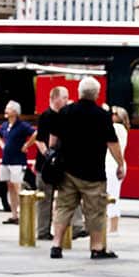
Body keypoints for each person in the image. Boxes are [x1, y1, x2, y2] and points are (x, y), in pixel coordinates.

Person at [46, 77, 124, 259]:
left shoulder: (65, 112)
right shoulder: (102, 116)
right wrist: (120, 164)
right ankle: (97, 248)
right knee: (95, 212)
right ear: (96, 94)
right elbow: (112, 143)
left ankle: (56, 245)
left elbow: (53, 140)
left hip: (67, 170)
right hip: (93, 173)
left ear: (79, 93)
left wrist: (54, 154)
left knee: (64, 208)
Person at [34, 86, 84, 241]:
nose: (67, 100)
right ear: (55, 98)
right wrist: (49, 155)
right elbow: (39, 140)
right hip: (46, 166)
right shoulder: (46, 116)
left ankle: (77, 226)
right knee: (45, 199)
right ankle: (42, 231)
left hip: (64, 164)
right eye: (64, 97)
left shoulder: (66, 115)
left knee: (70, 194)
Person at [0, 101, 37, 225]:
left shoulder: (22, 126)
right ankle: (14, 215)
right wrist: (2, 145)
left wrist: (26, 145)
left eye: (8, 109)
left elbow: (35, 133)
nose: (5, 111)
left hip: (18, 160)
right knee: (10, 186)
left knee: (17, 186)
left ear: (15, 112)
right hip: (6, 160)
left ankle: (23, 213)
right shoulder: (5, 125)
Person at [105, 106, 130, 233]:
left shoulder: (116, 128)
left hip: (111, 164)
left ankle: (113, 227)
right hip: (115, 163)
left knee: (111, 196)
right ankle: (112, 227)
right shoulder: (123, 129)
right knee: (113, 195)